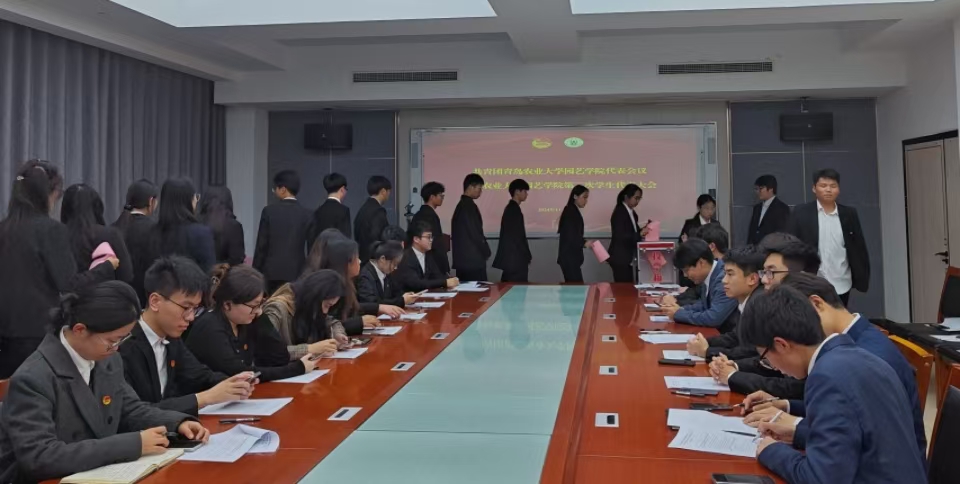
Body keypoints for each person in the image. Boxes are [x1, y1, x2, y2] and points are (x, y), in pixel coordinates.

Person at [0, 281, 209, 483]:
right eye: (112, 341)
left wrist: (177, 423)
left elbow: (130, 409)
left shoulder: (107, 359)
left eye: (122, 339)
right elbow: (40, 457)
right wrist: (132, 444)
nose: (116, 348)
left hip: (94, 472)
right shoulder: (33, 378)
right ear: (80, 330)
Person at [737, 286, 927, 484]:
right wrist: (797, 433)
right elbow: (856, 435)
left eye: (766, 358)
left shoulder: (826, 377)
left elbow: (820, 479)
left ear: (781, 345)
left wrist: (771, 451)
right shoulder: (856, 356)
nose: (774, 367)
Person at [0, 160, 118, 378]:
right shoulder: (51, 230)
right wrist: (105, 267)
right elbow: (70, 285)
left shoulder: (3, 229)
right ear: (49, 194)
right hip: (37, 336)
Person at [120, 256, 257, 416]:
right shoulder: (122, 345)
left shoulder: (172, 338)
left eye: (195, 308)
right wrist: (205, 398)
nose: (191, 317)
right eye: (186, 307)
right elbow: (136, 411)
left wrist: (233, 383)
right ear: (155, 301)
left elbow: (199, 376)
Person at [187, 264, 318, 382]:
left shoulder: (245, 321)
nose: (257, 310)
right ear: (227, 304)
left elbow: (280, 357)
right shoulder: (210, 327)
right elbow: (240, 373)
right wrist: (297, 369)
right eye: (253, 305)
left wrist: (261, 318)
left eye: (260, 304)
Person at [788, 169, 869, 306]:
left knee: (838, 316)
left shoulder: (849, 214)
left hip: (841, 280)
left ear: (838, 189)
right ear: (814, 188)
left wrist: (861, 275)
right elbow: (791, 243)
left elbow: (859, 247)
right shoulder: (801, 212)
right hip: (811, 280)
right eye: (823, 185)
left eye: (833, 186)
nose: (828, 190)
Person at [686, 245, 765, 360]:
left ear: (752, 279)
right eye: (725, 274)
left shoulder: (760, 306)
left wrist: (707, 352)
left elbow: (751, 353)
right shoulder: (747, 300)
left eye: (730, 274)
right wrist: (704, 342)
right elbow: (735, 337)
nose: (724, 280)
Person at [253, 170, 313, 295]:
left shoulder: (269, 211)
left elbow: (261, 245)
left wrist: (255, 272)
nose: (274, 192)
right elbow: (312, 248)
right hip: (297, 272)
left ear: (283, 189)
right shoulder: (307, 214)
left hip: (271, 273)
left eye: (275, 188)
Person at [318, 237, 394, 335]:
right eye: (356, 258)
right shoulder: (331, 287)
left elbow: (353, 308)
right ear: (346, 263)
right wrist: (359, 322)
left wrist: (378, 307)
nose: (360, 261)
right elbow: (329, 325)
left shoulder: (349, 282)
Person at [61, 183, 134, 284]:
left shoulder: (57, 237)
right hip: (106, 292)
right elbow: (126, 275)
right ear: (97, 207)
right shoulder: (111, 235)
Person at [264, 269, 344, 361]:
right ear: (315, 296)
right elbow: (267, 350)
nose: (325, 311)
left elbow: (331, 321)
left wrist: (338, 334)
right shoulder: (277, 309)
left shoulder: (307, 306)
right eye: (327, 305)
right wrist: (310, 349)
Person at [660, 238, 737, 331]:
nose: (685, 275)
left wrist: (678, 314)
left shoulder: (723, 279)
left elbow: (713, 318)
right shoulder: (709, 275)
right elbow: (704, 305)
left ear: (701, 263)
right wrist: (680, 309)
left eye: (686, 270)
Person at [152, 178, 216, 272]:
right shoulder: (201, 233)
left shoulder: (152, 233)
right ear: (188, 201)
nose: (196, 201)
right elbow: (209, 270)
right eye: (195, 197)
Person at [112, 179, 159, 305]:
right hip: (145, 300)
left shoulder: (114, 227)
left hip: (116, 299)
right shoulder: (156, 229)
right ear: (151, 201)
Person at [395, 222, 459, 293]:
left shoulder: (428, 255)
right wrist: (445, 282)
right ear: (416, 239)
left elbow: (437, 276)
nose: (431, 240)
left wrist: (450, 280)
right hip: (409, 296)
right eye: (428, 237)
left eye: (432, 237)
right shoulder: (406, 257)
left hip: (425, 295)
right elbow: (416, 284)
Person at [451, 173, 491, 282]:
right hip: (472, 261)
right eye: (479, 188)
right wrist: (486, 250)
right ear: (470, 187)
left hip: (464, 261)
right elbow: (475, 232)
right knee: (478, 289)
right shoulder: (468, 206)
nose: (480, 192)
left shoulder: (461, 205)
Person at [357, 241, 421, 307]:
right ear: (383, 259)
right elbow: (372, 303)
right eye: (394, 264)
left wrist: (406, 296)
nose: (395, 268)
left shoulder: (386, 272)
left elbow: (395, 293)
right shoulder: (365, 275)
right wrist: (402, 301)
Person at [493, 179, 533, 283]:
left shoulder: (512, 208)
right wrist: (526, 254)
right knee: (516, 287)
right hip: (515, 260)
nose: (526, 194)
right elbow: (517, 236)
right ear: (517, 192)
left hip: (513, 260)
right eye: (524, 191)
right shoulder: (513, 210)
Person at [608, 184, 648, 283]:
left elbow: (633, 232)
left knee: (629, 285)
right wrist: (639, 234)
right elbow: (620, 235)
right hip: (620, 257)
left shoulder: (632, 213)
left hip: (628, 256)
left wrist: (643, 230)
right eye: (636, 198)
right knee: (623, 287)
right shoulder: (620, 212)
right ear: (626, 197)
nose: (637, 201)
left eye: (639, 199)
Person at [410, 181, 449, 275]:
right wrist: (444, 267)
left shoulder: (419, 214)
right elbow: (436, 242)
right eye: (440, 195)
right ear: (432, 197)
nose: (442, 198)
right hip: (432, 262)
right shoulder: (429, 215)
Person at [199, 186, 245, 266]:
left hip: (197, 272)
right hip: (225, 272)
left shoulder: (196, 223)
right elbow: (237, 259)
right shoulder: (234, 226)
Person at [557, 185, 590, 283]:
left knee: (574, 286)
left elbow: (574, 233)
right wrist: (584, 243)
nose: (586, 200)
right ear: (575, 196)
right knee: (576, 287)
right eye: (584, 197)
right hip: (569, 258)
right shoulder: (570, 211)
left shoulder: (572, 210)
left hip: (571, 258)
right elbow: (571, 235)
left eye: (587, 198)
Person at [354, 175, 391, 263]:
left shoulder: (363, 209)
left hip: (362, 257)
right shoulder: (378, 211)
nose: (389, 195)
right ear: (383, 191)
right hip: (373, 260)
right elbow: (377, 237)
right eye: (389, 192)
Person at [747, 175, 791, 245]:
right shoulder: (757, 208)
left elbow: (783, 234)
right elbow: (752, 232)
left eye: (761, 188)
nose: (758, 191)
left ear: (771, 189)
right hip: (755, 249)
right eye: (756, 189)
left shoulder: (782, 208)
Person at [309, 172, 350, 244]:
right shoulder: (344, 211)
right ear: (342, 189)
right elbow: (346, 239)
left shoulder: (318, 211)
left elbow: (312, 239)